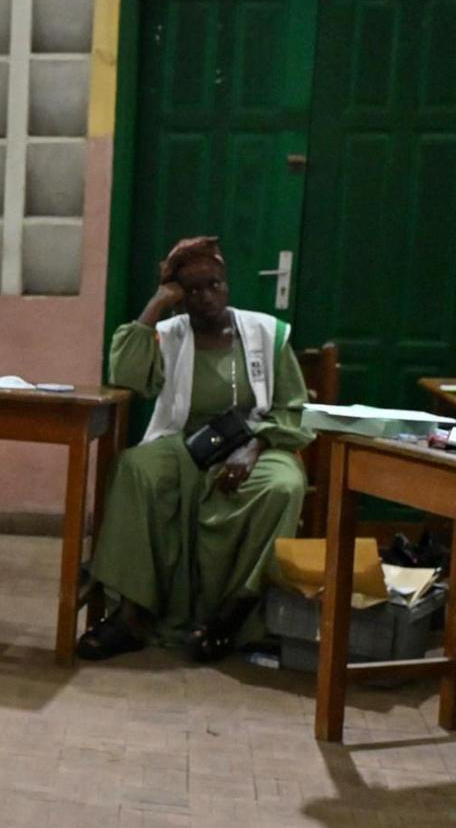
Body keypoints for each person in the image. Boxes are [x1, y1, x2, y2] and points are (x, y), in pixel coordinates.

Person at [78, 237, 311, 663]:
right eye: (192, 289)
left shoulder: (266, 334)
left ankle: (232, 616)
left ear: (227, 284)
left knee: (283, 486)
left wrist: (254, 448)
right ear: (179, 296)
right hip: (186, 442)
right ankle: (131, 615)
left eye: (214, 284)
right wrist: (156, 304)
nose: (206, 296)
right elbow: (126, 375)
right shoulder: (169, 335)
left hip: (258, 441)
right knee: (135, 468)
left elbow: (292, 408)